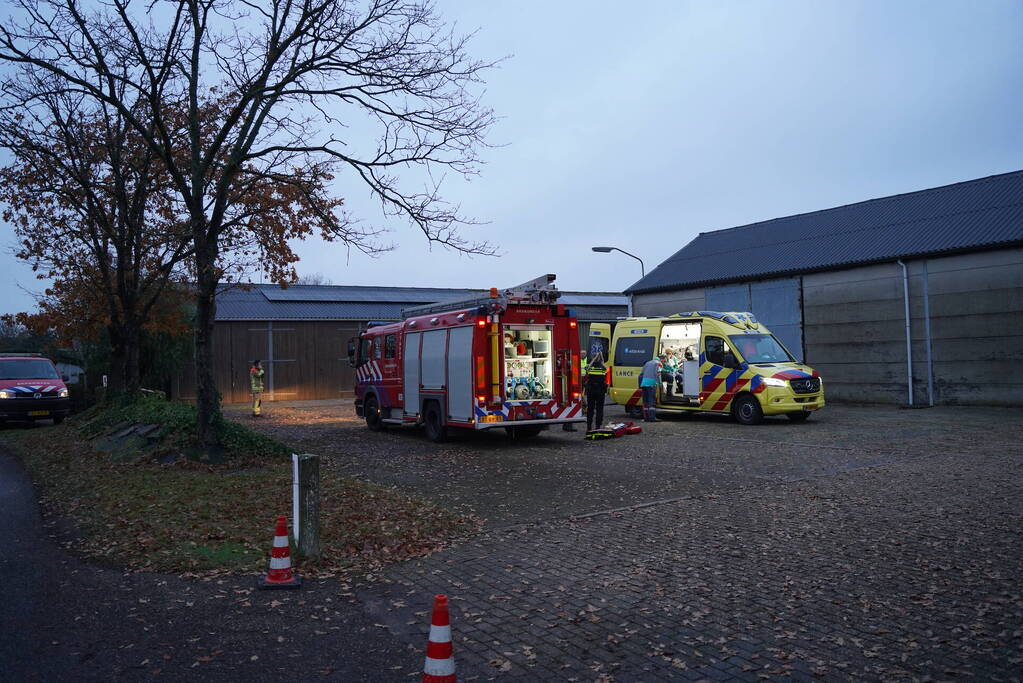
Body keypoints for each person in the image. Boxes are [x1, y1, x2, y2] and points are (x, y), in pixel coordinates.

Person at [584, 353, 608, 432]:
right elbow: (607, 370)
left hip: (591, 390)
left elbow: (586, 369)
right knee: (599, 409)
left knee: (590, 409)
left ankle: (589, 426)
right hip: (600, 391)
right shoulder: (603, 368)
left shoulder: (590, 367)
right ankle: (598, 426)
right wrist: (601, 360)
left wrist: (593, 360)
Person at [640, 355, 663, 422]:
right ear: (660, 360)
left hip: (644, 383)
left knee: (646, 402)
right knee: (651, 401)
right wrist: (660, 383)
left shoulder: (647, 363)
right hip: (651, 383)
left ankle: (646, 418)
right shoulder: (658, 363)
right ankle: (652, 418)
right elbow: (658, 373)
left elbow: (642, 373)